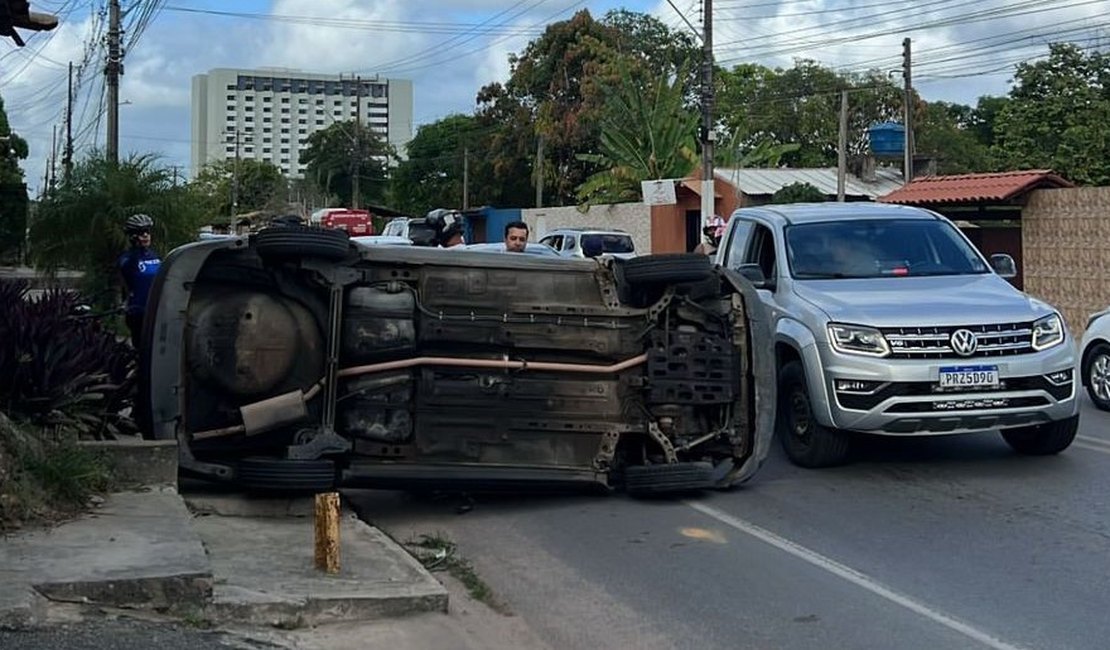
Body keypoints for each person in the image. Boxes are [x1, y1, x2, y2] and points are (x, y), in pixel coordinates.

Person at [117, 213, 162, 348]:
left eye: (147, 232)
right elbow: (128, 273)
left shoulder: (154, 256)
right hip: (138, 312)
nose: (146, 235)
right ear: (132, 236)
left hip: (156, 310)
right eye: (141, 233)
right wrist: (137, 248)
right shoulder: (127, 259)